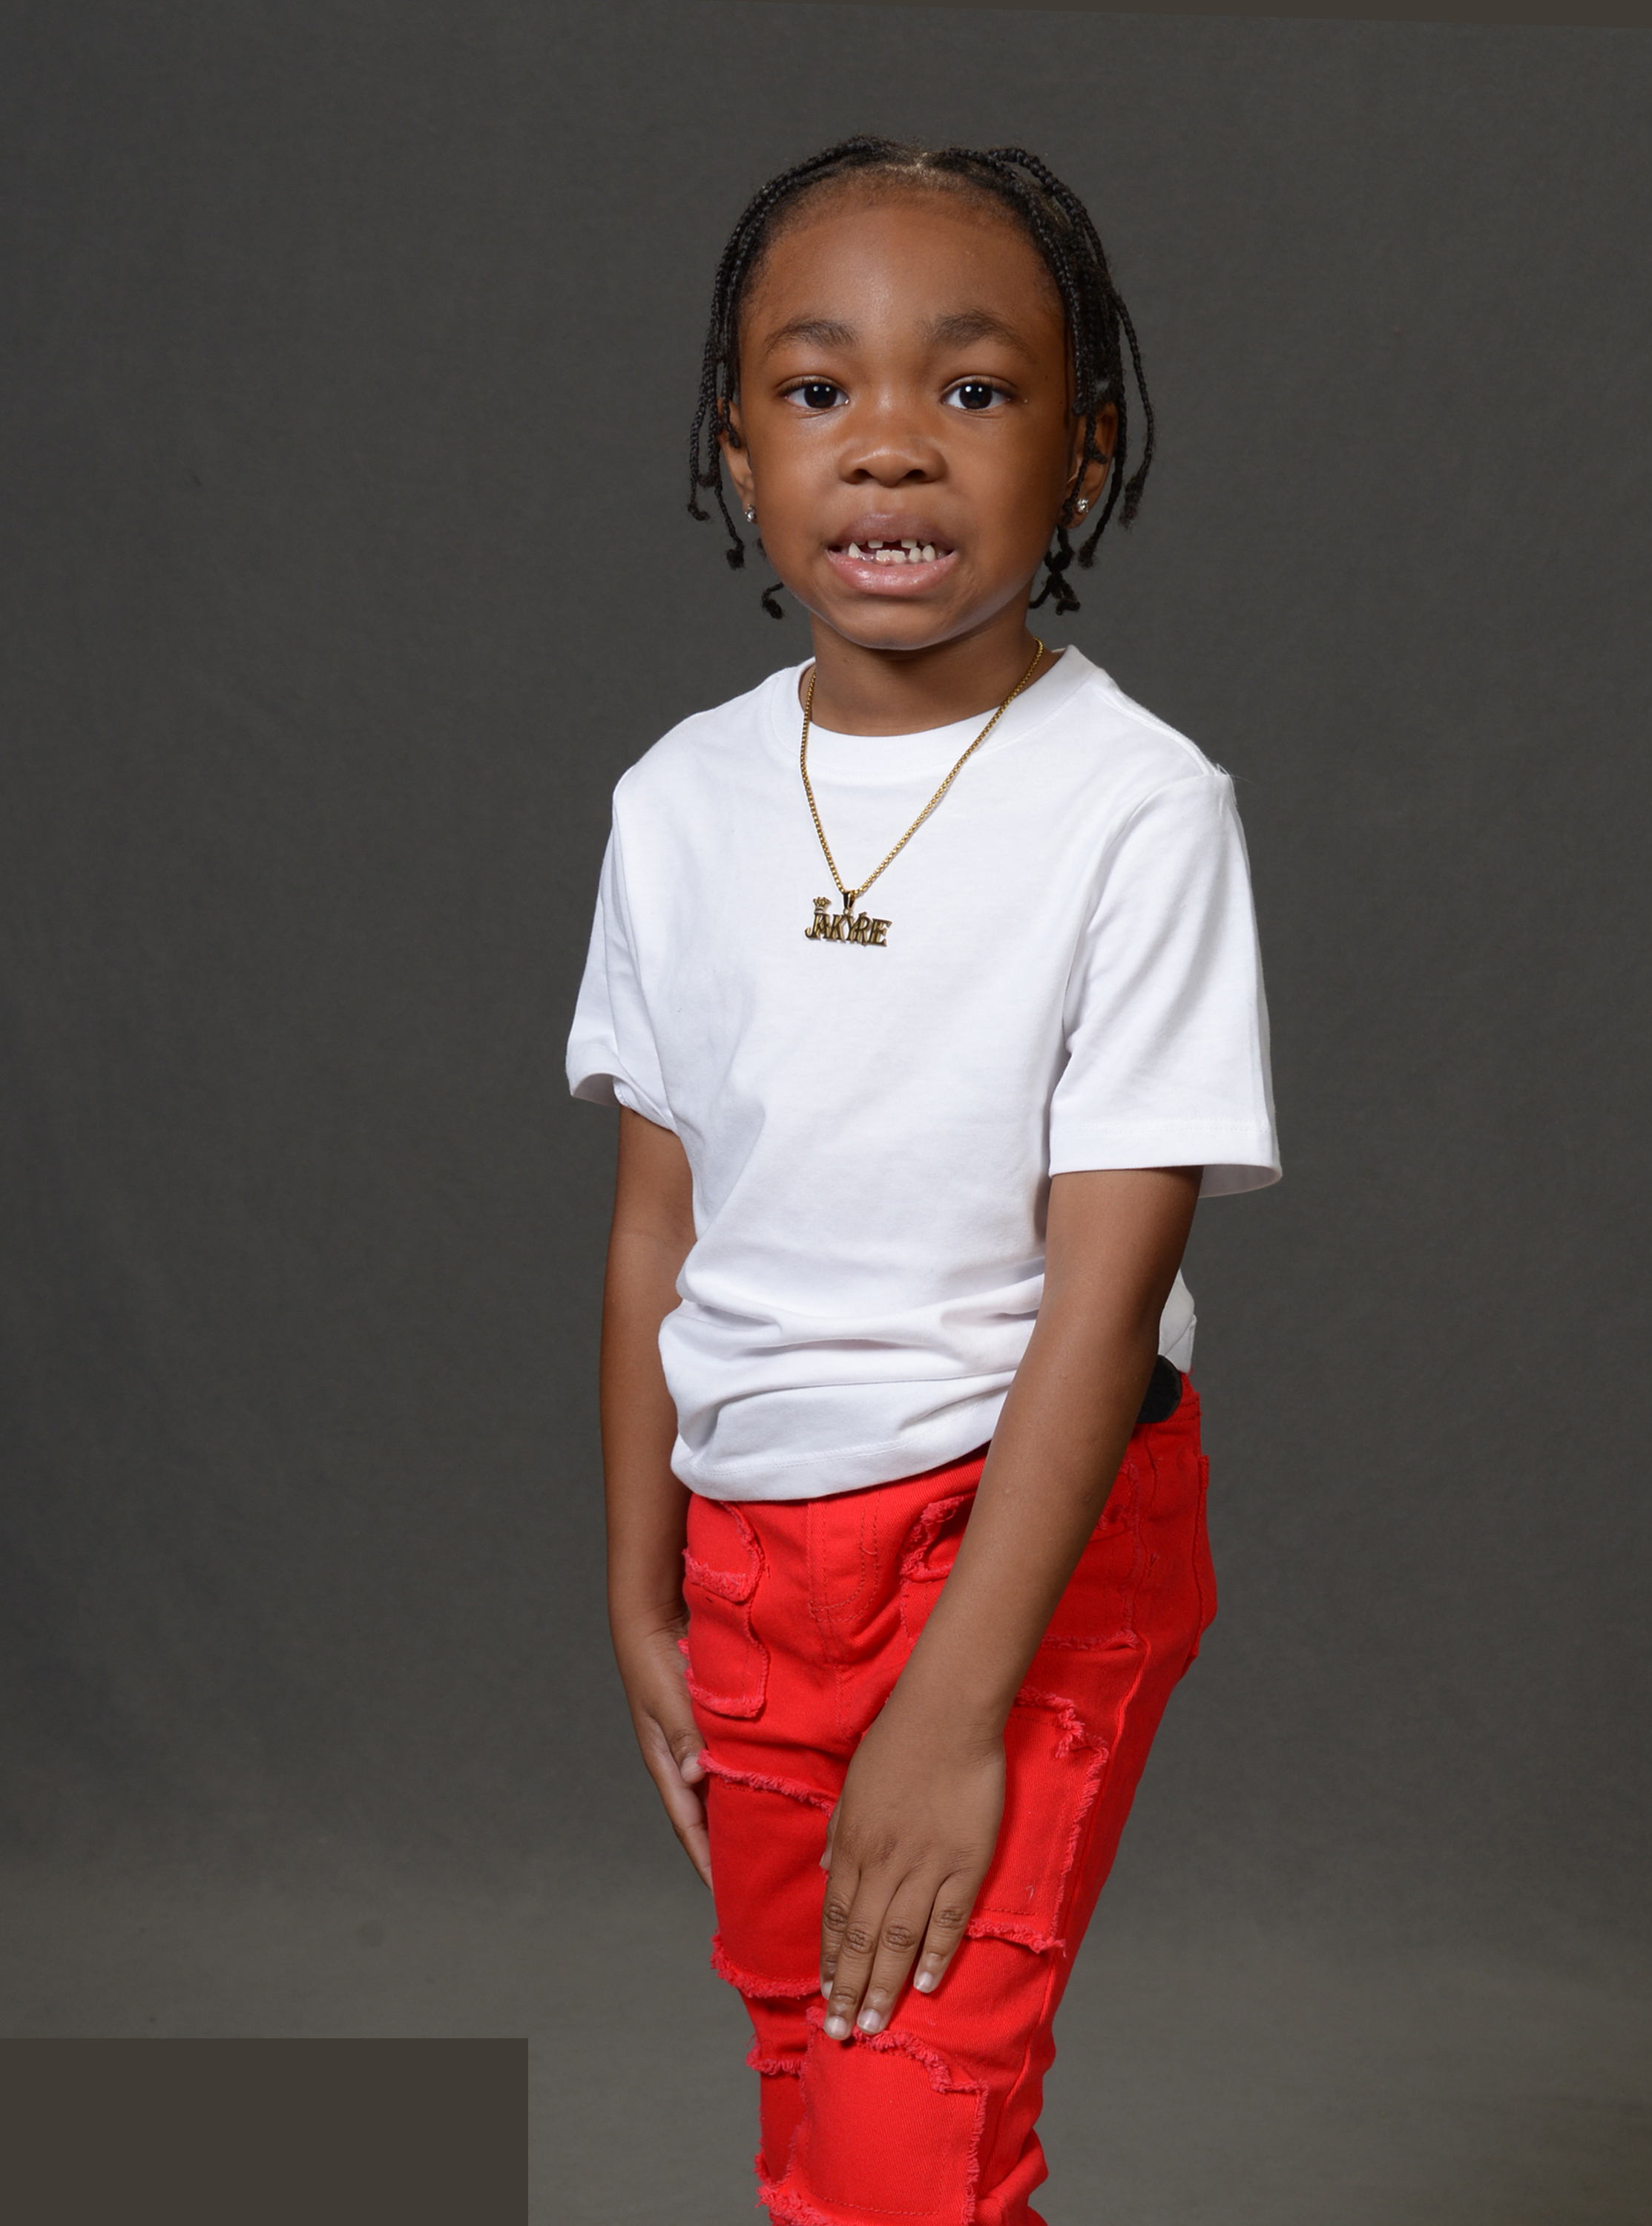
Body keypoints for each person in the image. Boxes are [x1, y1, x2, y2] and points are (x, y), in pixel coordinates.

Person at [568, 138, 1280, 2226]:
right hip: (748, 1548)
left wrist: (957, 1705)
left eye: (972, 390)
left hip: (1017, 1538)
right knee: (817, 2102)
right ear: (736, 451)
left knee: (905, 2144)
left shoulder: (1137, 810)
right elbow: (656, 1227)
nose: (889, 443)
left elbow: (1106, 1288)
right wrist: (638, 1589)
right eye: (818, 390)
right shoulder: (679, 801)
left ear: (1088, 449)